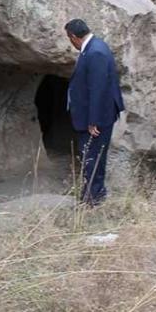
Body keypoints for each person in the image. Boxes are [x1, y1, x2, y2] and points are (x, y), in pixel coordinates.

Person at [64, 19, 125, 205]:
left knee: (92, 156)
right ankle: (92, 193)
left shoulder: (96, 52)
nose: (70, 42)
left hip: (99, 118)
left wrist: (93, 121)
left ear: (74, 37)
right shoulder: (94, 47)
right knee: (91, 155)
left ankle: (93, 197)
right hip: (97, 115)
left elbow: (98, 89)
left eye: (69, 38)